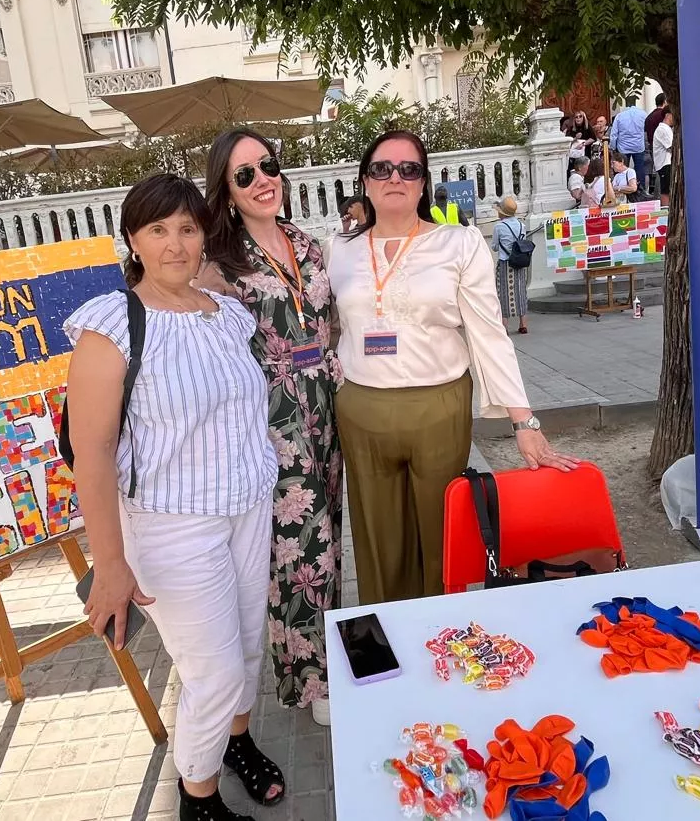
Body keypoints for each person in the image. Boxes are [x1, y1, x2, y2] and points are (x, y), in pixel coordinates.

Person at [66, 173, 285, 820]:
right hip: (171, 526)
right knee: (212, 676)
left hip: (247, 506)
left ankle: (236, 743)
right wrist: (109, 564)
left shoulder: (227, 315)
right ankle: (199, 799)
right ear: (132, 239)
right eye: (158, 229)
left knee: (247, 647)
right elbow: (94, 454)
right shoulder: (111, 327)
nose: (175, 243)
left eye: (187, 228)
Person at [326, 130, 577, 604]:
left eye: (409, 169)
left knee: (441, 537)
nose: (395, 178)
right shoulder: (338, 249)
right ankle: (388, 643)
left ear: (423, 183)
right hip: (361, 409)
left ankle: (440, 642)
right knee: (379, 542)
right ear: (365, 181)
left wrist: (524, 421)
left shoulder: (458, 243)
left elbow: (488, 333)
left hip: (436, 406)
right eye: (382, 168)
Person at [199, 128, 344, 728]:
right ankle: (307, 683)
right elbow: (198, 339)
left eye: (269, 165)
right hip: (272, 420)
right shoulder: (220, 263)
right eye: (244, 175)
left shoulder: (307, 245)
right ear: (227, 192)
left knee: (332, 538)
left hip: (327, 408)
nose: (263, 180)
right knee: (300, 552)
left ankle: (327, 660)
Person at [493, 195, 533, 335]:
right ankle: (523, 324)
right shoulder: (521, 225)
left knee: (504, 293)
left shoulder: (499, 227)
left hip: (505, 263)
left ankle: (504, 326)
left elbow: (495, 247)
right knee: (521, 291)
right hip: (520, 262)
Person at [610, 98, 649, 197]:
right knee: (639, 168)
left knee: (622, 169)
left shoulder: (620, 116)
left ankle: (623, 191)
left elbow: (614, 134)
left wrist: (613, 147)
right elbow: (646, 129)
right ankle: (641, 191)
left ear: (626, 103)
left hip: (623, 147)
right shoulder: (643, 114)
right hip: (638, 146)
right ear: (635, 102)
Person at [644, 94, 669, 192]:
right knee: (663, 172)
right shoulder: (663, 116)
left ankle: (655, 191)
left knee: (656, 170)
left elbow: (645, 134)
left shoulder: (649, 117)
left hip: (652, 146)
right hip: (664, 148)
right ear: (665, 102)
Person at [652, 109, 674, 203]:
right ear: (667, 115)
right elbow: (670, 146)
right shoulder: (663, 129)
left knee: (668, 189)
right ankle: (666, 211)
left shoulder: (667, 129)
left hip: (667, 163)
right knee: (666, 191)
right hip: (665, 163)